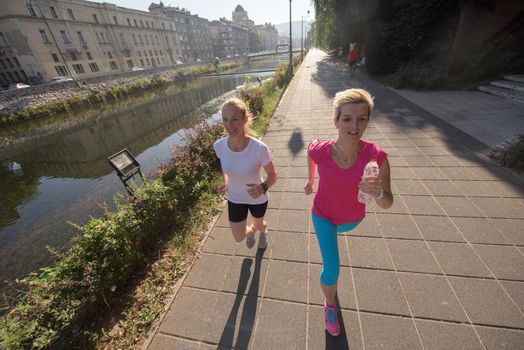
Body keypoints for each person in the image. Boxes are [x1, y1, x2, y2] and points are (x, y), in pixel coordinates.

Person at [304, 88, 393, 336]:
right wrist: (311, 180)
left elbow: (388, 202)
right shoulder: (321, 150)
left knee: (334, 260)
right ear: (336, 121)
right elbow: (310, 152)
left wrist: (377, 194)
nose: (354, 125)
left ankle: (330, 297)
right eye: (347, 119)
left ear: (367, 121)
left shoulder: (376, 156)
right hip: (323, 216)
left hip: (352, 219)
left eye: (361, 119)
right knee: (332, 268)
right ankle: (329, 305)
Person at [213, 98, 277, 249]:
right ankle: (252, 231)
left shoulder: (259, 148)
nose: (229, 125)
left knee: (259, 224)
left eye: (235, 119)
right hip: (235, 198)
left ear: (245, 120)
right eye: (225, 119)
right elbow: (226, 165)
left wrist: (262, 187)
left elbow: (273, 175)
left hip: (257, 198)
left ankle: (262, 231)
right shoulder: (219, 146)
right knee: (238, 236)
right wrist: (225, 181)